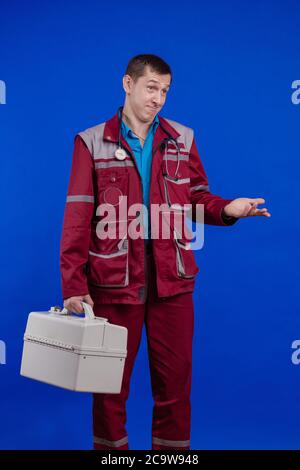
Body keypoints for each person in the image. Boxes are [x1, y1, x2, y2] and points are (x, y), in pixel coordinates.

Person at [60, 54, 271, 451]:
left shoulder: (182, 138)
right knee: (108, 389)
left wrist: (227, 209)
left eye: (165, 91)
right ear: (128, 84)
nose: (158, 98)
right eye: (151, 87)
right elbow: (77, 216)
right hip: (112, 286)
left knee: (175, 389)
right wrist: (73, 284)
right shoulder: (90, 141)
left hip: (172, 284)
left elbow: (196, 199)